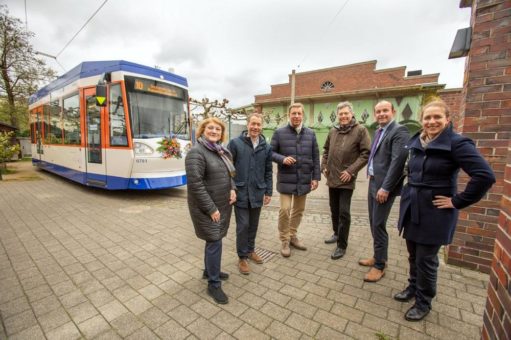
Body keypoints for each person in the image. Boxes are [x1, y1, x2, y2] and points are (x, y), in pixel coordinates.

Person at [396, 100, 495, 321]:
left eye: (437, 117)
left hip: (435, 211)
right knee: (413, 255)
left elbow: (485, 176)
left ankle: (424, 302)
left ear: (447, 119)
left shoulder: (457, 143)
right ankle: (412, 288)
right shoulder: (417, 142)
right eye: (427, 118)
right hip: (413, 206)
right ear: (421, 121)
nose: (431, 122)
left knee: (426, 259)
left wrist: (457, 201)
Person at [185, 117, 236, 304]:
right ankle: (213, 284)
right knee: (215, 241)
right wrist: (211, 209)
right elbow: (195, 185)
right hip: (207, 208)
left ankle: (209, 271)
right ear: (202, 131)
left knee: (215, 239)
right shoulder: (196, 153)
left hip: (222, 204)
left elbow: (230, 173)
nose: (214, 131)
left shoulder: (222, 151)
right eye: (210, 128)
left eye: (218, 129)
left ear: (222, 133)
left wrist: (232, 189)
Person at [359, 100, 409, 282]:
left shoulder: (399, 131)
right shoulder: (380, 130)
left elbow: (398, 162)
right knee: (373, 222)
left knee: (378, 224)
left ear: (393, 112)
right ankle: (378, 256)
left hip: (383, 187)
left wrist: (386, 187)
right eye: (378, 111)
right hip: (374, 182)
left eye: (385, 111)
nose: (381, 114)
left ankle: (380, 266)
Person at [321, 101, 371, 260]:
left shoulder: (361, 130)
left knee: (344, 212)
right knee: (334, 209)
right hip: (332, 177)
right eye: (341, 114)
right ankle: (336, 233)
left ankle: (342, 245)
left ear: (352, 114)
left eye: (346, 114)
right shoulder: (333, 130)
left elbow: (366, 154)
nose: (343, 116)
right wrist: (323, 165)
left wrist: (351, 171)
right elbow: (326, 150)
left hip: (346, 178)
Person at [271, 102, 321, 257]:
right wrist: (282, 159)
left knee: (298, 210)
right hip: (286, 179)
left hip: (304, 178)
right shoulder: (279, 133)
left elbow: (315, 156)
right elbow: (270, 153)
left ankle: (293, 235)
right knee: (285, 209)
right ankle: (284, 239)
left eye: (299, 113)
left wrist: (316, 177)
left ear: (303, 115)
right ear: (289, 115)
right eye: (294, 113)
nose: (297, 116)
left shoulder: (310, 134)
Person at [227, 113, 272, 275]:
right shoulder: (235, 143)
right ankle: (242, 257)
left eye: (258, 125)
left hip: (258, 192)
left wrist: (268, 191)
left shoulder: (266, 146)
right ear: (247, 125)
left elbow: (268, 171)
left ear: (261, 127)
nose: (255, 127)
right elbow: (228, 168)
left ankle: (251, 250)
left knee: (253, 224)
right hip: (240, 192)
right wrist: (231, 188)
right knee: (243, 225)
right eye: (253, 124)